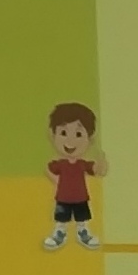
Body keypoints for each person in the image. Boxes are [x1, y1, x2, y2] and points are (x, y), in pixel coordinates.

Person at [43, 99, 107, 249]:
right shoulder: (60, 164)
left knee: (82, 219)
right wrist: (56, 181)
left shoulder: (82, 164)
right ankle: (59, 234)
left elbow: (98, 171)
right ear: (53, 136)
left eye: (78, 134)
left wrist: (101, 160)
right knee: (61, 219)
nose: (70, 140)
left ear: (89, 139)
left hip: (80, 198)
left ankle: (83, 234)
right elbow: (48, 169)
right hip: (63, 198)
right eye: (63, 133)